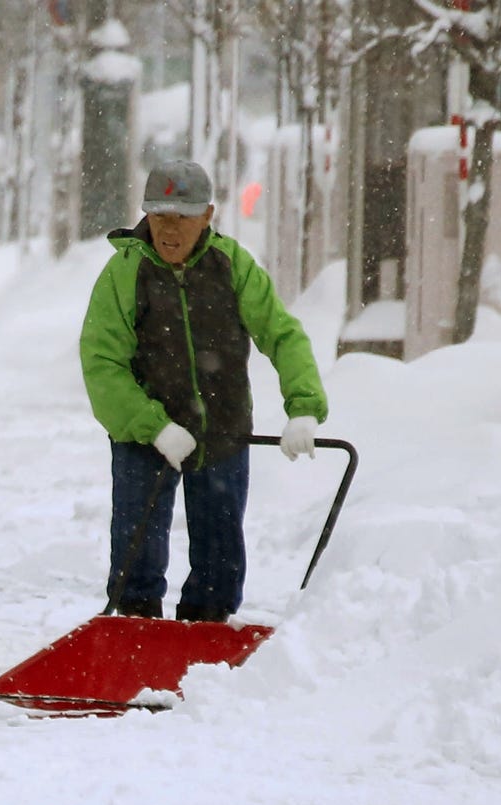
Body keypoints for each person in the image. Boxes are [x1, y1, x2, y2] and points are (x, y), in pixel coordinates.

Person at [79, 159, 327, 623]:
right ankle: (134, 634)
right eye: (159, 217)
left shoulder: (232, 267)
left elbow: (282, 334)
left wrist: (305, 407)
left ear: (208, 215)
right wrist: (154, 427)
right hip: (143, 437)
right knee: (137, 554)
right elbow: (101, 364)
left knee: (220, 555)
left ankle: (206, 644)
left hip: (222, 431)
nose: (168, 230)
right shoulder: (125, 273)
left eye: (182, 218)